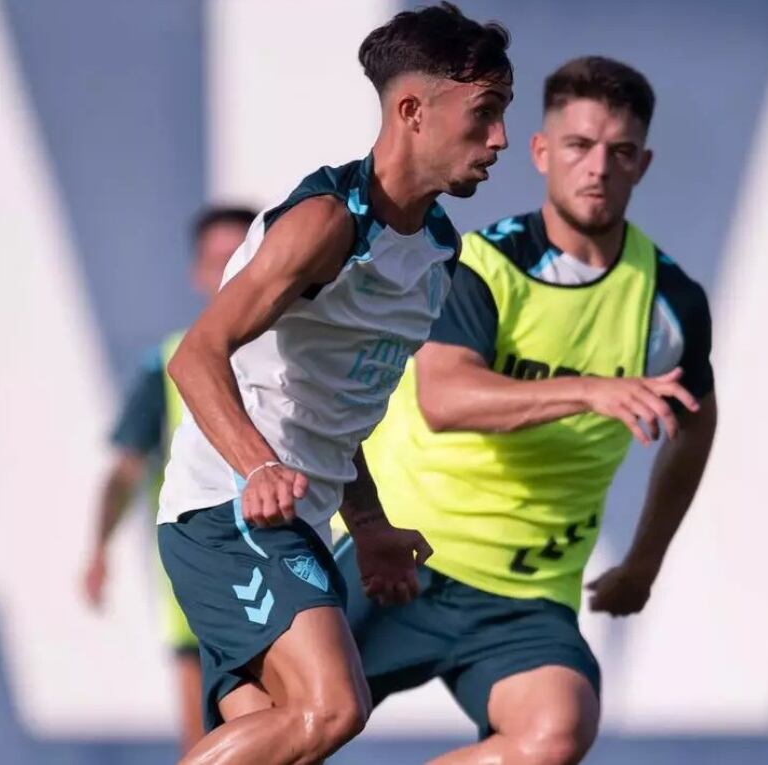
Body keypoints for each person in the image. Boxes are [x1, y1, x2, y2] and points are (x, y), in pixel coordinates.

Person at [154, 4, 514, 763]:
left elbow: (333, 415)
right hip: (228, 509)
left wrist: (372, 525)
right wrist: (256, 466)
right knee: (334, 708)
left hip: (300, 521)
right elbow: (196, 354)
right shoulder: (326, 221)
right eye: (484, 114)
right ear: (412, 110)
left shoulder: (438, 251)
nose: (500, 140)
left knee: (294, 736)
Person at [344, 56, 718, 764]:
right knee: (284, 721)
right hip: (397, 553)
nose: (598, 167)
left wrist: (644, 559)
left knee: (554, 733)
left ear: (642, 163)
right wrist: (588, 388)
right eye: (578, 145)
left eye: (620, 151)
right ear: (542, 152)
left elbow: (695, 424)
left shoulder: (670, 300)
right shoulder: (484, 265)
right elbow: (445, 398)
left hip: (523, 589)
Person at [80, 206, 255, 754]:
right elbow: (126, 467)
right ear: (198, 274)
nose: (228, 273)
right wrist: (99, 549)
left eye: (240, 258)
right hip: (200, 588)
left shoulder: (299, 350)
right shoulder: (167, 363)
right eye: (216, 260)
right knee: (208, 740)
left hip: (292, 573)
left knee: (301, 729)